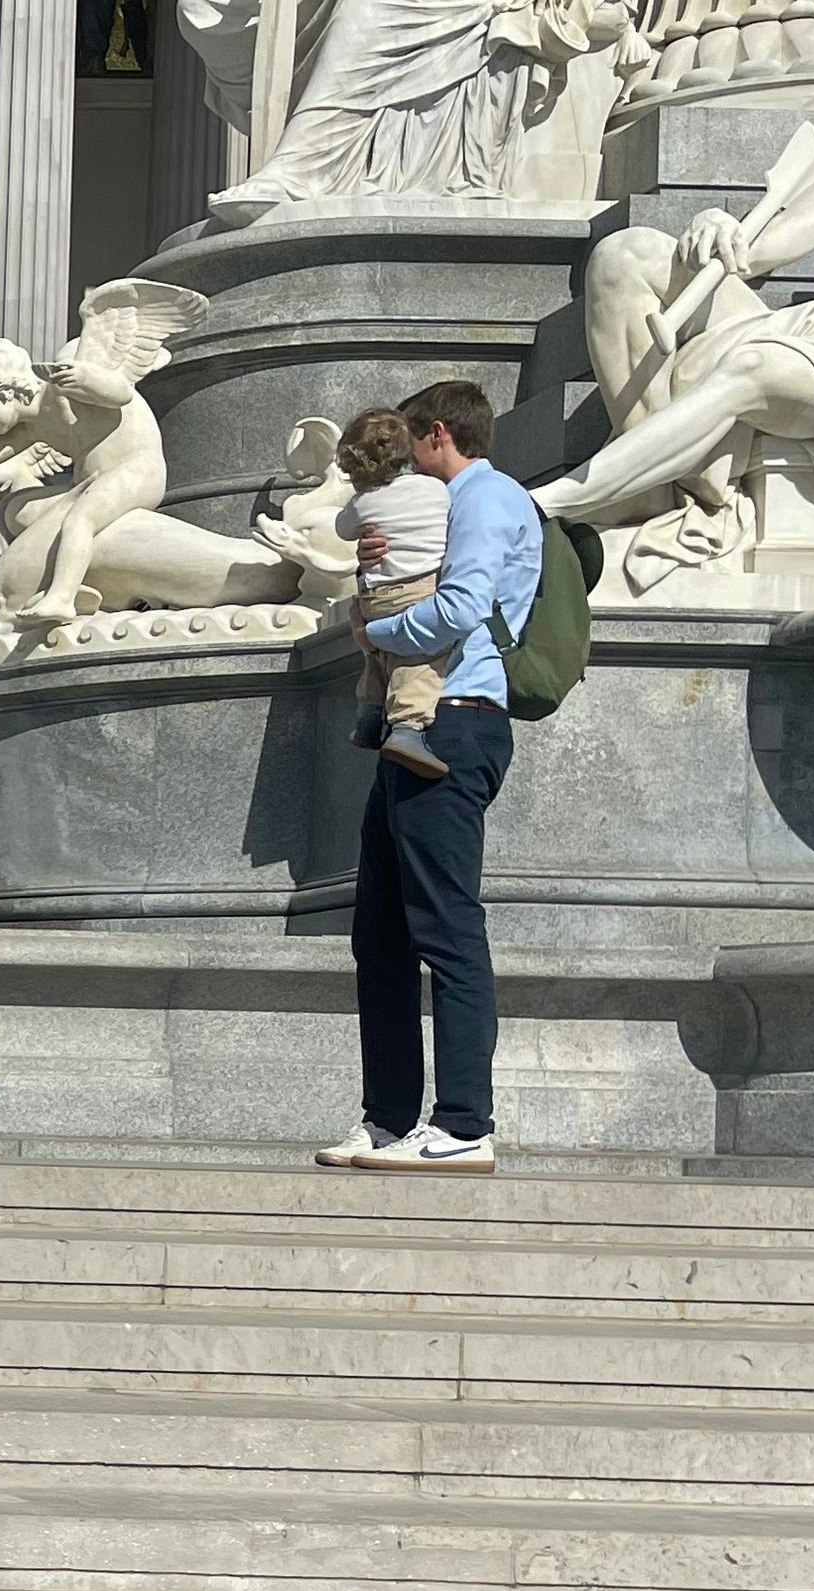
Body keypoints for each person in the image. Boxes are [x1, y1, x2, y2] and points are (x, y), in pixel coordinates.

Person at [322, 379, 539, 1178]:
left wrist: (372, 627)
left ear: (436, 435)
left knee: (446, 927)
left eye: (409, 450)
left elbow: (460, 607)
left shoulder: (487, 499)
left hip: (455, 716)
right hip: (421, 720)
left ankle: (463, 1123)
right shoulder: (444, 503)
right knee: (378, 931)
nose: (400, 470)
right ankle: (387, 1119)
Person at [333, 408, 452, 780]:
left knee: (377, 653)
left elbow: (341, 529)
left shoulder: (360, 505)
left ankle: (370, 715)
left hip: (373, 596)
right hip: (419, 588)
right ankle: (407, 727)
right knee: (419, 658)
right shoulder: (436, 488)